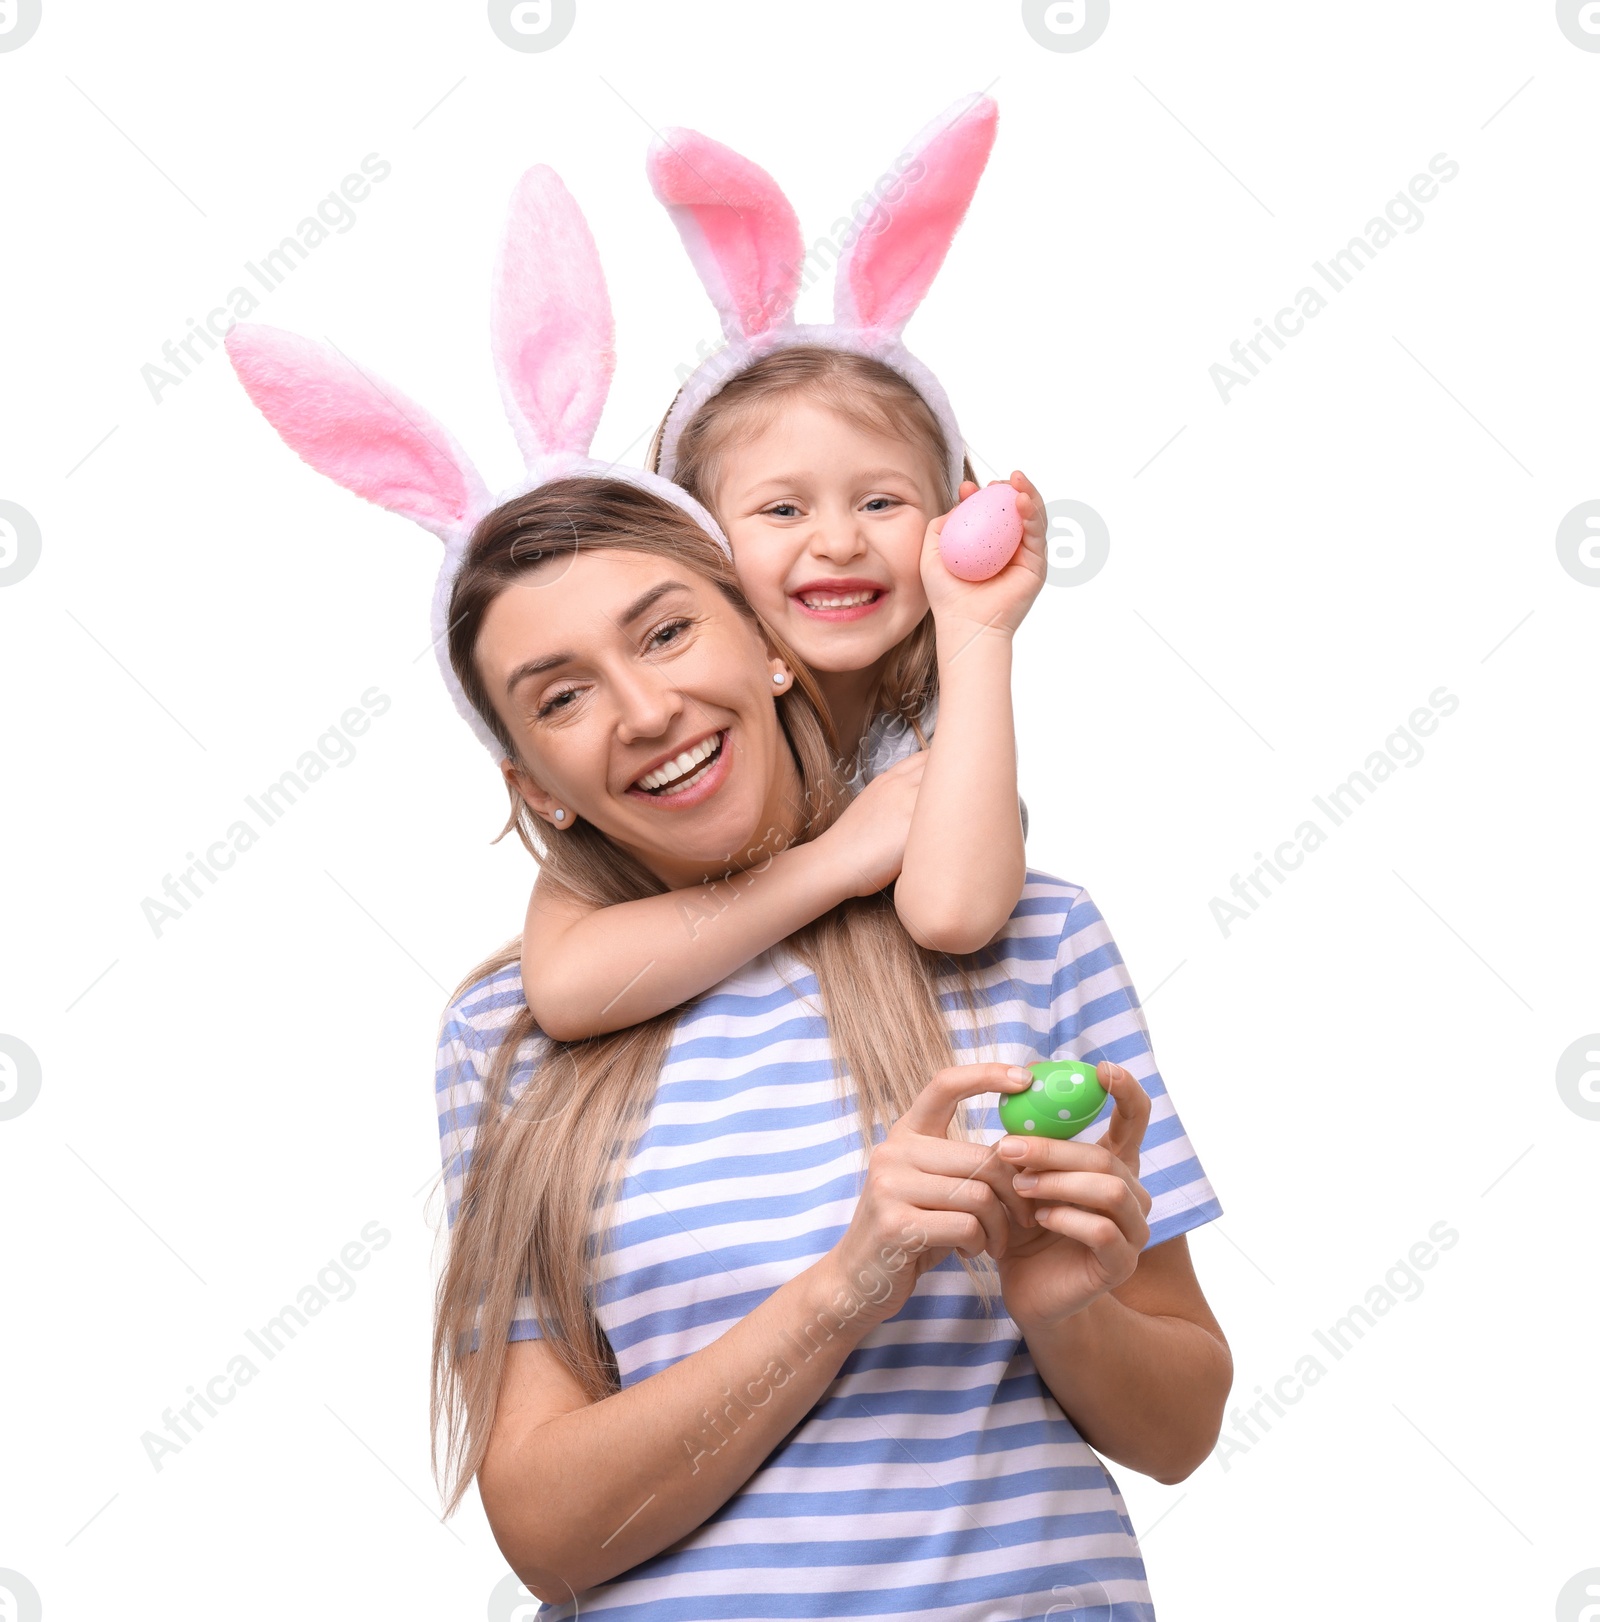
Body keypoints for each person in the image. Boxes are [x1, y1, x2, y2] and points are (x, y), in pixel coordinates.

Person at [432, 475, 1231, 1621]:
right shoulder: (503, 1040)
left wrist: (1064, 1311)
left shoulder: (1032, 931)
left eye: (666, 632)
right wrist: (844, 1288)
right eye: (561, 697)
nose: (646, 709)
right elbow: (549, 1537)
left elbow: (1181, 1431)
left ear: (767, 644)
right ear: (534, 789)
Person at [513, 94, 1048, 1044]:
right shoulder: (686, 746)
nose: (838, 542)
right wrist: (834, 859)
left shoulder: (925, 736)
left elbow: (954, 913)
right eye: (783, 510)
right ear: (701, 549)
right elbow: (563, 989)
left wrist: (978, 629)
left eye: (882, 503)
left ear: (953, 514)